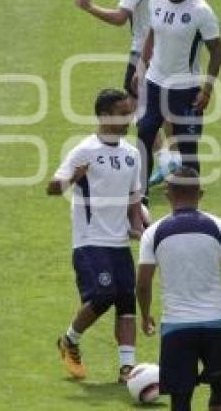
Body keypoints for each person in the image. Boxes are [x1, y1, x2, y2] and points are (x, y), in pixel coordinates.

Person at [47, 88, 146, 383]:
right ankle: (69, 341)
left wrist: (137, 226)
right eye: (121, 113)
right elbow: (52, 187)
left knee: (127, 302)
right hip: (89, 241)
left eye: (129, 111)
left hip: (119, 243)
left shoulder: (131, 154)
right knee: (104, 295)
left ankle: (127, 368)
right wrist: (71, 179)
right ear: (103, 116)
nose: (128, 118)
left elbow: (133, 199)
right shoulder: (85, 150)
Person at [136, 167, 221, 411]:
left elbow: (143, 282)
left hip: (176, 328)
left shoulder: (153, 234)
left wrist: (145, 314)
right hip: (216, 325)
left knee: (180, 398)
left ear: (168, 195)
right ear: (200, 193)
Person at [74, 0, 179, 186]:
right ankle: (172, 157)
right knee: (160, 105)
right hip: (169, 46)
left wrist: (89, 7)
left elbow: (120, 18)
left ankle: (166, 160)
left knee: (135, 107)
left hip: (143, 49)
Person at [133, 0, 221, 200]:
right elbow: (152, 33)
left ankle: (192, 200)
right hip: (155, 83)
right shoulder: (157, 0)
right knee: (144, 136)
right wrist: (141, 66)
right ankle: (142, 198)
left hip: (186, 89)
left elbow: (216, 51)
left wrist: (206, 90)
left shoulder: (200, 11)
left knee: (188, 148)